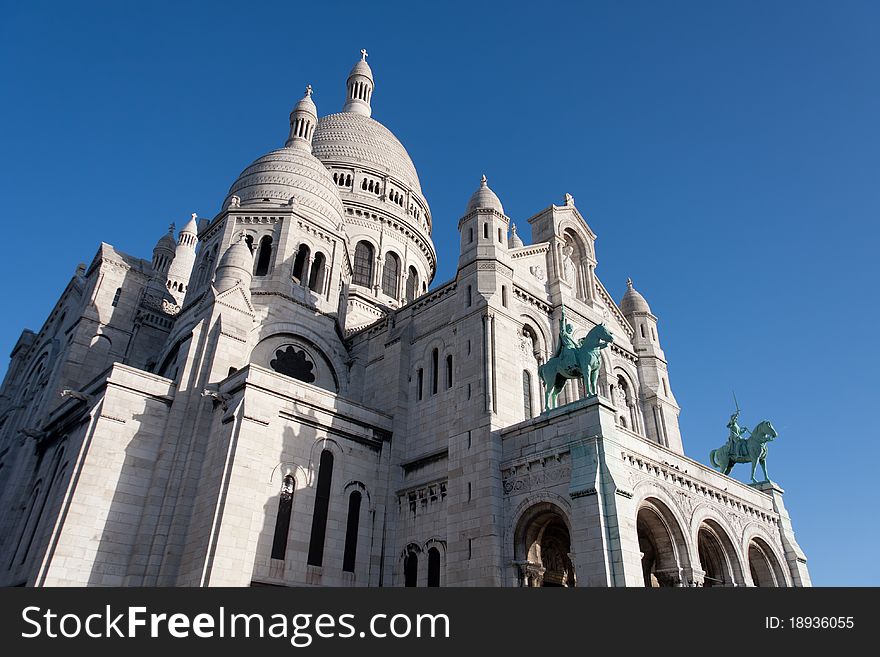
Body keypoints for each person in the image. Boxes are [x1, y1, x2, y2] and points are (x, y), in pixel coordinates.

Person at [553, 306, 579, 373]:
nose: (571, 330)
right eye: (570, 328)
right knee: (572, 352)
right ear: (567, 328)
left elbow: (575, 344)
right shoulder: (564, 333)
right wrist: (563, 315)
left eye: (571, 329)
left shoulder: (571, 336)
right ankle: (572, 367)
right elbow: (562, 326)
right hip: (567, 349)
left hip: (573, 348)